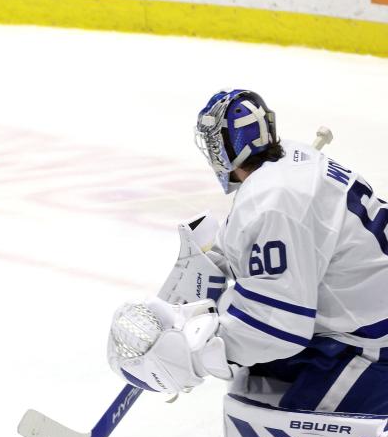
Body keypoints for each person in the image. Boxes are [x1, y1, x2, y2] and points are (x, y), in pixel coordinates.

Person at [108, 88, 388, 412]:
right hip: (368, 314)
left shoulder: (271, 201)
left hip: (375, 344)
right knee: (254, 379)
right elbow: (249, 245)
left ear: (225, 149)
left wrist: (196, 356)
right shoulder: (291, 161)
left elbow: (279, 327)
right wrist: (207, 268)